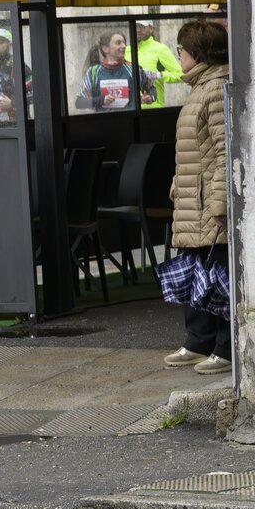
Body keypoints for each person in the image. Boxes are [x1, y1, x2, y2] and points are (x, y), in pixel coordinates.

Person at [162, 19, 232, 375]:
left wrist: (220, 205)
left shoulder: (215, 88)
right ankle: (198, 341)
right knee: (194, 272)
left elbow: (224, 153)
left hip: (208, 203)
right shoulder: (199, 87)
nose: (179, 56)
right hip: (192, 201)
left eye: (182, 50)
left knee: (217, 277)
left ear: (197, 53)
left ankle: (225, 347)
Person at [76, 30, 157, 112]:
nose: (124, 46)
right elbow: (79, 102)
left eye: (124, 42)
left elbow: (152, 89)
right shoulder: (93, 72)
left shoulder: (134, 69)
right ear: (105, 49)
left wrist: (150, 98)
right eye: (118, 43)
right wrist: (101, 100)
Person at [133, 19, 183, 109]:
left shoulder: (160, 49)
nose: (138, 30)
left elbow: (181, 75)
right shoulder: (127, 50)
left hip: (153, 108)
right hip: (131, 108)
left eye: (142, 26)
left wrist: (158, 75)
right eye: (136, 26)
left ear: (151, 28)